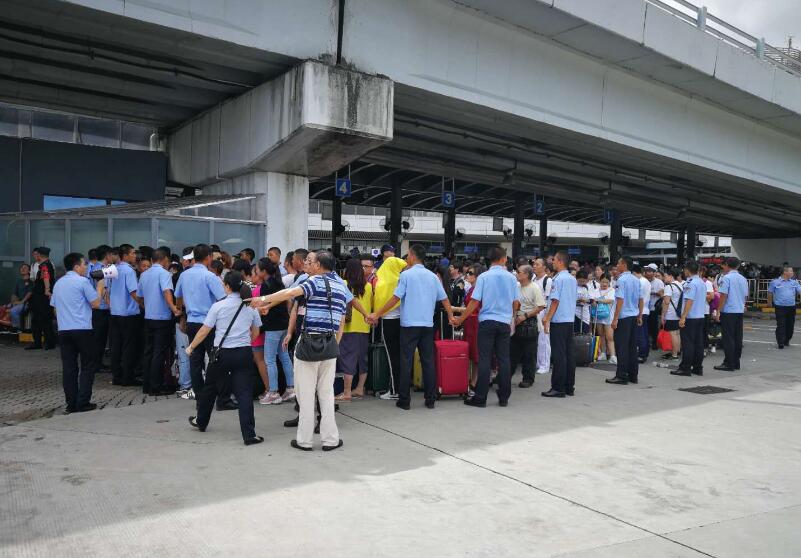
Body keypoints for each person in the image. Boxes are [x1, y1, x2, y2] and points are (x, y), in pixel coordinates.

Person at [251, 250, 359, 452]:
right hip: (330, 345)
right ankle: (330, 440)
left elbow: (290, 294)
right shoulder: (341, 286)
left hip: (309, 343)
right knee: (326, 394)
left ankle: (304, 440)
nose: (307, 264)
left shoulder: (314, 281)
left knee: (306, 394)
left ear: (319, 265)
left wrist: (263, 298)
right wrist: (335, 343)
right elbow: (341, 321)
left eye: (310, 261)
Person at [371, 244, 455, 410]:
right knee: (428, 362)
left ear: (412, 255)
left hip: (409, 325)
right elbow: (444, 298)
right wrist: (451, 316)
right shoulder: (432, 277)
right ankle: (430, 399)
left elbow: (395, 298)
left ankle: (404, 400)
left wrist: (377, 313)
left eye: (408, 255)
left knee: (406, 361)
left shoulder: (406, 275)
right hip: (427, 325)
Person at [187, 271, 264, 446]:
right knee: (244, 393)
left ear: (228, 287)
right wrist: (245, 341)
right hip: (243, 353)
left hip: (221, 354)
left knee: (210, 388)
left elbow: (205, 330)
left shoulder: (218, 306)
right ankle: (249, 435)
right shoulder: (250, 306)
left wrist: (191, 347)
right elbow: (256, 331)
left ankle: (201, 421)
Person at [454, 246, 520, 408]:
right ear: (504, 259)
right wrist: (512, 318)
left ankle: (480, 397)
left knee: (484, 359)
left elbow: (475, 302)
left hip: (487, 322)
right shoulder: (511, 278)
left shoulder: (483, 277)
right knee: (504, 359)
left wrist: (461, 318)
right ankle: (504, 397)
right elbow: (516, 302)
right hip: (504, 322)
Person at [175, 244, 232, 409]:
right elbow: (223, 299)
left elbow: (178, 297)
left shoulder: (184, 275)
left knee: (195, 361)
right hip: (209, 324)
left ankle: (200, 400)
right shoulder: (210, 276)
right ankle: (222, 399)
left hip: (192, 322)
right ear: (208, 258)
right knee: (217, 360)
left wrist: (181, 313)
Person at [50, 252, 102, 413]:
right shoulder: (82, 282)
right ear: (76, 266)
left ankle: (71, 403)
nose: (86, 267)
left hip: (64, 330)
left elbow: (55, 309)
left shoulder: (58, 284)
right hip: (83, 329)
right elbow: (96, 304)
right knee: (87, 365)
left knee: (69, 368)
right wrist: (100, 286)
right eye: (84, 264)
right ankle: (83, 402)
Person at [137, 248, 181, 396]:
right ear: (165, 259)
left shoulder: (144, 274)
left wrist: (146, 306)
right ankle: (156, 386)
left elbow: (139, 296)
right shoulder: (164, 274)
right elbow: (166, 291)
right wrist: (173, 308)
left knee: (148, 351)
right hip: (162, 318)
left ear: (152, 260)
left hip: (148, 317)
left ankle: (147, 385)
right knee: (159, 352)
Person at [257, 259, 297, 405]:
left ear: (263, 271)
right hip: (284, 324)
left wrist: (263, 308)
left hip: (273, 326)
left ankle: (273, 392)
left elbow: (264, 305)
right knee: (284, 356)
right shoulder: (278, 282)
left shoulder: (266, 286)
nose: (256, 271)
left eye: (258, 268)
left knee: (269, 359)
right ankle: (290, 388)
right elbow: (286, 300)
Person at [336, 258, 373, 401]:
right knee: (362, 359)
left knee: (347, 359)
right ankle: (359, 388)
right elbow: (371, 305)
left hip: (347, 328)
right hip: (364, 327)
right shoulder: (368, 286)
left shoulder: (343, 283)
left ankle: (347, 392)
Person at [371, 252, 407, 398]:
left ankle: (394, 390)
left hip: (388, 322)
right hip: (403, 321)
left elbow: (379, 302)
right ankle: (401, 388)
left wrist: (376, 315)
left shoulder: (383, 283)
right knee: (401, 356)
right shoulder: (401, 280)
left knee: (392, 357)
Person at [541, 252, 577, 398]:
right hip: (569, 319)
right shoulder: (572, 278)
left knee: (559, 355)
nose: (552, 262)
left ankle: (558, 387)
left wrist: (547, 318)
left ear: (561, 262)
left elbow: (555, 301)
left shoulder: (558, 279)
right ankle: (569, 386)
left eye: (554, 260)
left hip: (559, 320)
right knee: (569, 354)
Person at [108, 244, 142, 386]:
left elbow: (107, 290)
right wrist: (143, 304)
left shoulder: (112, 269)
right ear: (125, 255)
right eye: (133, 253)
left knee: (116, 345)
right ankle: (128, 377)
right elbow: (133, 292)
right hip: (128, 313)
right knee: (129, 346)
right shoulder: (129, 271)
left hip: (115, 312)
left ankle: (117, 376)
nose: (135, 256)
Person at [606, 256, 642, 386]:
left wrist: (615, 318)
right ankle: (633, 375)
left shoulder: (621, 280)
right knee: (632, 347)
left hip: (623, 317)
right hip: (633, 316)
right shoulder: (636, 279)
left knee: (622, 347)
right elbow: (641, 299)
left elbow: (620, 300)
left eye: (619, 263)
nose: (617, 266)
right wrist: (640, 315)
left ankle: (621, 375)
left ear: (624, 265)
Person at [510, 264, 545, 388]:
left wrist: (525, 316)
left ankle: (528, 379)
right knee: (512, 352)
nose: (516, 273)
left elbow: (540, 306)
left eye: (519, 272)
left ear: (526, 274)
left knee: (529, 354)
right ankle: (505, 376)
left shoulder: (534, 287)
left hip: (529, 323)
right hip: (516, 322)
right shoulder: (517, 286)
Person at [672, 260, 706, 377]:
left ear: (687, 270)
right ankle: (697, 367)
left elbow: (689, 301)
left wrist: (683, 317)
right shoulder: (701, 282)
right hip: (700, 316)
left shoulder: (690, 283)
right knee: (698, 343)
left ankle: (685, 368)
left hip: (690, 317)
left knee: (688, 344)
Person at [714, 257, 748, 371]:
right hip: (739, 310)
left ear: (727, 265)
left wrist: (718, 310)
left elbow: (723, 295)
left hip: (728, 311)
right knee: (738, 337)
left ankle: (729, 363)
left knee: (728, 338)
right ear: (738, 266)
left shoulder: (726, 278)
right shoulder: (743, 279)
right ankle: (736, 362)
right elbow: (745, 296)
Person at [27, 247, 56, 350]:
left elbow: (46, 277)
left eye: (36, 254)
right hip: (42, 297)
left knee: (42, 319)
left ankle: (45, 342)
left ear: (39, 255)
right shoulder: (48, 264)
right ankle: (43, 342)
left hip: (41, 297)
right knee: (42, 319)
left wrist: (47, 290)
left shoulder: (44, 265)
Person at [768, 265, 801, 349]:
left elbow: (800, 291)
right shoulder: (775, 282)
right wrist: (769, 302)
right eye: (791, 271)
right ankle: (780, 342)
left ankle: (787, 340)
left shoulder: (794, 282)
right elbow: (770, 292)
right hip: (780, 307)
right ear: (785, 272)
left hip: (791, 307)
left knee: (790, 325)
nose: (792, 272)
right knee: (781, 324)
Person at [533, 258, 552, 375]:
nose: (534, 266)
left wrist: (547, 317)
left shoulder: (548, 280)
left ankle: (545, 365)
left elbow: (549, 300)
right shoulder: (533, 279)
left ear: (544, 267)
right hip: (534, 311)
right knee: (536, 339)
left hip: (543, 311)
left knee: (544, 339)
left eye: (537, 264)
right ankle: (538, 363)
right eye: (534, 264)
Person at [660, 268, 683, 361]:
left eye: (665, 276)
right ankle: (677, 351)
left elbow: (666, 302)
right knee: (677, 333)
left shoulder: (669, 287)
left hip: (671, 313)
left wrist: (663, 315)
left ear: (671, 276)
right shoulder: (680, 285)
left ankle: (674, 354)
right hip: (679, 313)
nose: (664, 278)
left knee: (673, 333)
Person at [594, 276, 616, 364]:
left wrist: (598, 300)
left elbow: (611, 300)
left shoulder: (612, 290)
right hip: (599, 316)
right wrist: (595, 301)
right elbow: (593, 301)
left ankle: (613, 355)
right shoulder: (596, 290)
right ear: (600, 281)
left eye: (606, 282)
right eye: (602, 282)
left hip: (609, 317)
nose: (604, 284)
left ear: (609, 282)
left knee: (609, 337)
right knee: (601, 335)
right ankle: (603, 353)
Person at [633, 264, 651, 363]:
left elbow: (638, 298)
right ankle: (645, 352)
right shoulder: (646, 281)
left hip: (640, 310)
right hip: (645, 310)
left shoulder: (639, 282)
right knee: (644, 333)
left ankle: (641, 354)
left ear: (634, 273)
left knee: (640, 334)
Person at [7, 264, 33, 331]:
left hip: (27, 304)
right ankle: (9, 328)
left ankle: (17, 328)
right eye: (21, 267)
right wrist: (13, 302)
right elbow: (14, 294)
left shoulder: (31, 282)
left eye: (25, 268)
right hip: (19, 303)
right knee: (4, 308)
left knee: (13, 311)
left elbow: (29, 293)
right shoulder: (19, 281)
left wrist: (21, 302)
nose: (22, 269)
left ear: (29, 271)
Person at [646, 263, 664, 350]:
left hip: (654, 307)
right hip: (646, 307)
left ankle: (654, 342)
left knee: (654, 326)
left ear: (654, 272)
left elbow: (662, 293)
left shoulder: (659, 282)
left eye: (650, 271)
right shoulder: (645, 281)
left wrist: (653, 293)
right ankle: (647, 342)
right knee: (647, 326)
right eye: (647, 271)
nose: (648, 273)